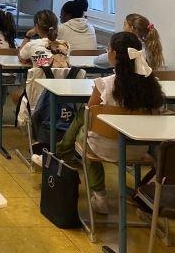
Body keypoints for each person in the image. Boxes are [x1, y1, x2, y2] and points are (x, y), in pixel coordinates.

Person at [55, 32, 164, 214]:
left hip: (104, 146)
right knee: (85, 119)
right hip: (138, 148)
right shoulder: (151, 84)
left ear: (113, 55)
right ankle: (61, 150)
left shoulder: (105, 84)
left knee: (85, 127)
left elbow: (91, 115)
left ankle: (99, 196)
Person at [94, 13, 165, 70]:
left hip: (129, 85)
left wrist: (110, 52)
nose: (123, 28)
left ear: (131, 29)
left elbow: (98, 61)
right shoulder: (151, 45)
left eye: (125, 24)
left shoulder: (124, 46)